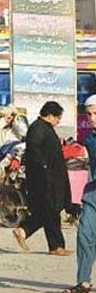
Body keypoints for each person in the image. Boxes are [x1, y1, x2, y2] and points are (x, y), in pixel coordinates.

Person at [13, 101, 71, 256]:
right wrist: (45, 170)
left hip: (50, 178)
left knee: (47, 212)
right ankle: (56, 247)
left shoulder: (45, 128)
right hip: (44, 180)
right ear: (50, 115)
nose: (59, 121)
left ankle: (24, 231)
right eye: (58, 117)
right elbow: (34, 152)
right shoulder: (38, 128)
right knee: (50, 212)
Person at [66, 95, 96, 293]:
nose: (92, 118)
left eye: (95, 113)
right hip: (92, 195)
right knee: (85, 234)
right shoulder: (89, 139)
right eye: (89, 113)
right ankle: (83, 280)